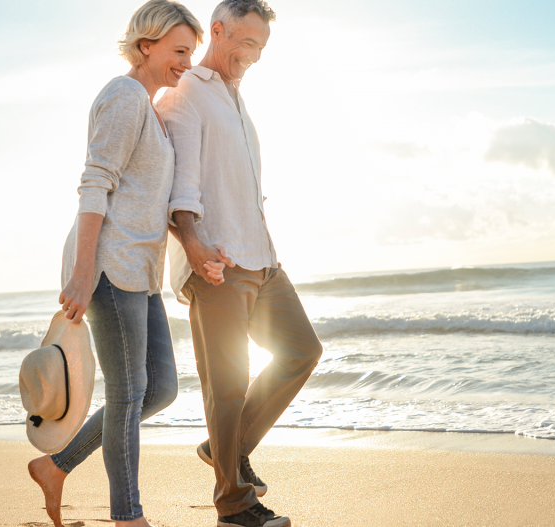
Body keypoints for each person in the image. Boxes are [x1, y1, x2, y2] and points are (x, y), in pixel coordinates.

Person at [25, 2, 211, 526]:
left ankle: (56, 466)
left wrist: (191, 245)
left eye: (190, 53)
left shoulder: (150, 106)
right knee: (128, 393)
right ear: (145, 46)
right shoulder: (124, 96)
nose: (185, 63)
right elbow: (94, 183)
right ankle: (128, 517)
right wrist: (83, 274)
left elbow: (148, 197)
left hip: (140, 269)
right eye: (179, 51)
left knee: (161, 389)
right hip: (108, 265)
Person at [158, 1, 323, 526]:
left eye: (261, 48)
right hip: (218, 262)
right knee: (226, 384)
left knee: (302, 350)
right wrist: (193, 245)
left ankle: (225, 449)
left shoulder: (236, 99)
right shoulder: (186, 93)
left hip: (262, 257)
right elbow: (180, 183)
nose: (252, 56)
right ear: (218, 30)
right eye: (245, 43)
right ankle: (234, 506)